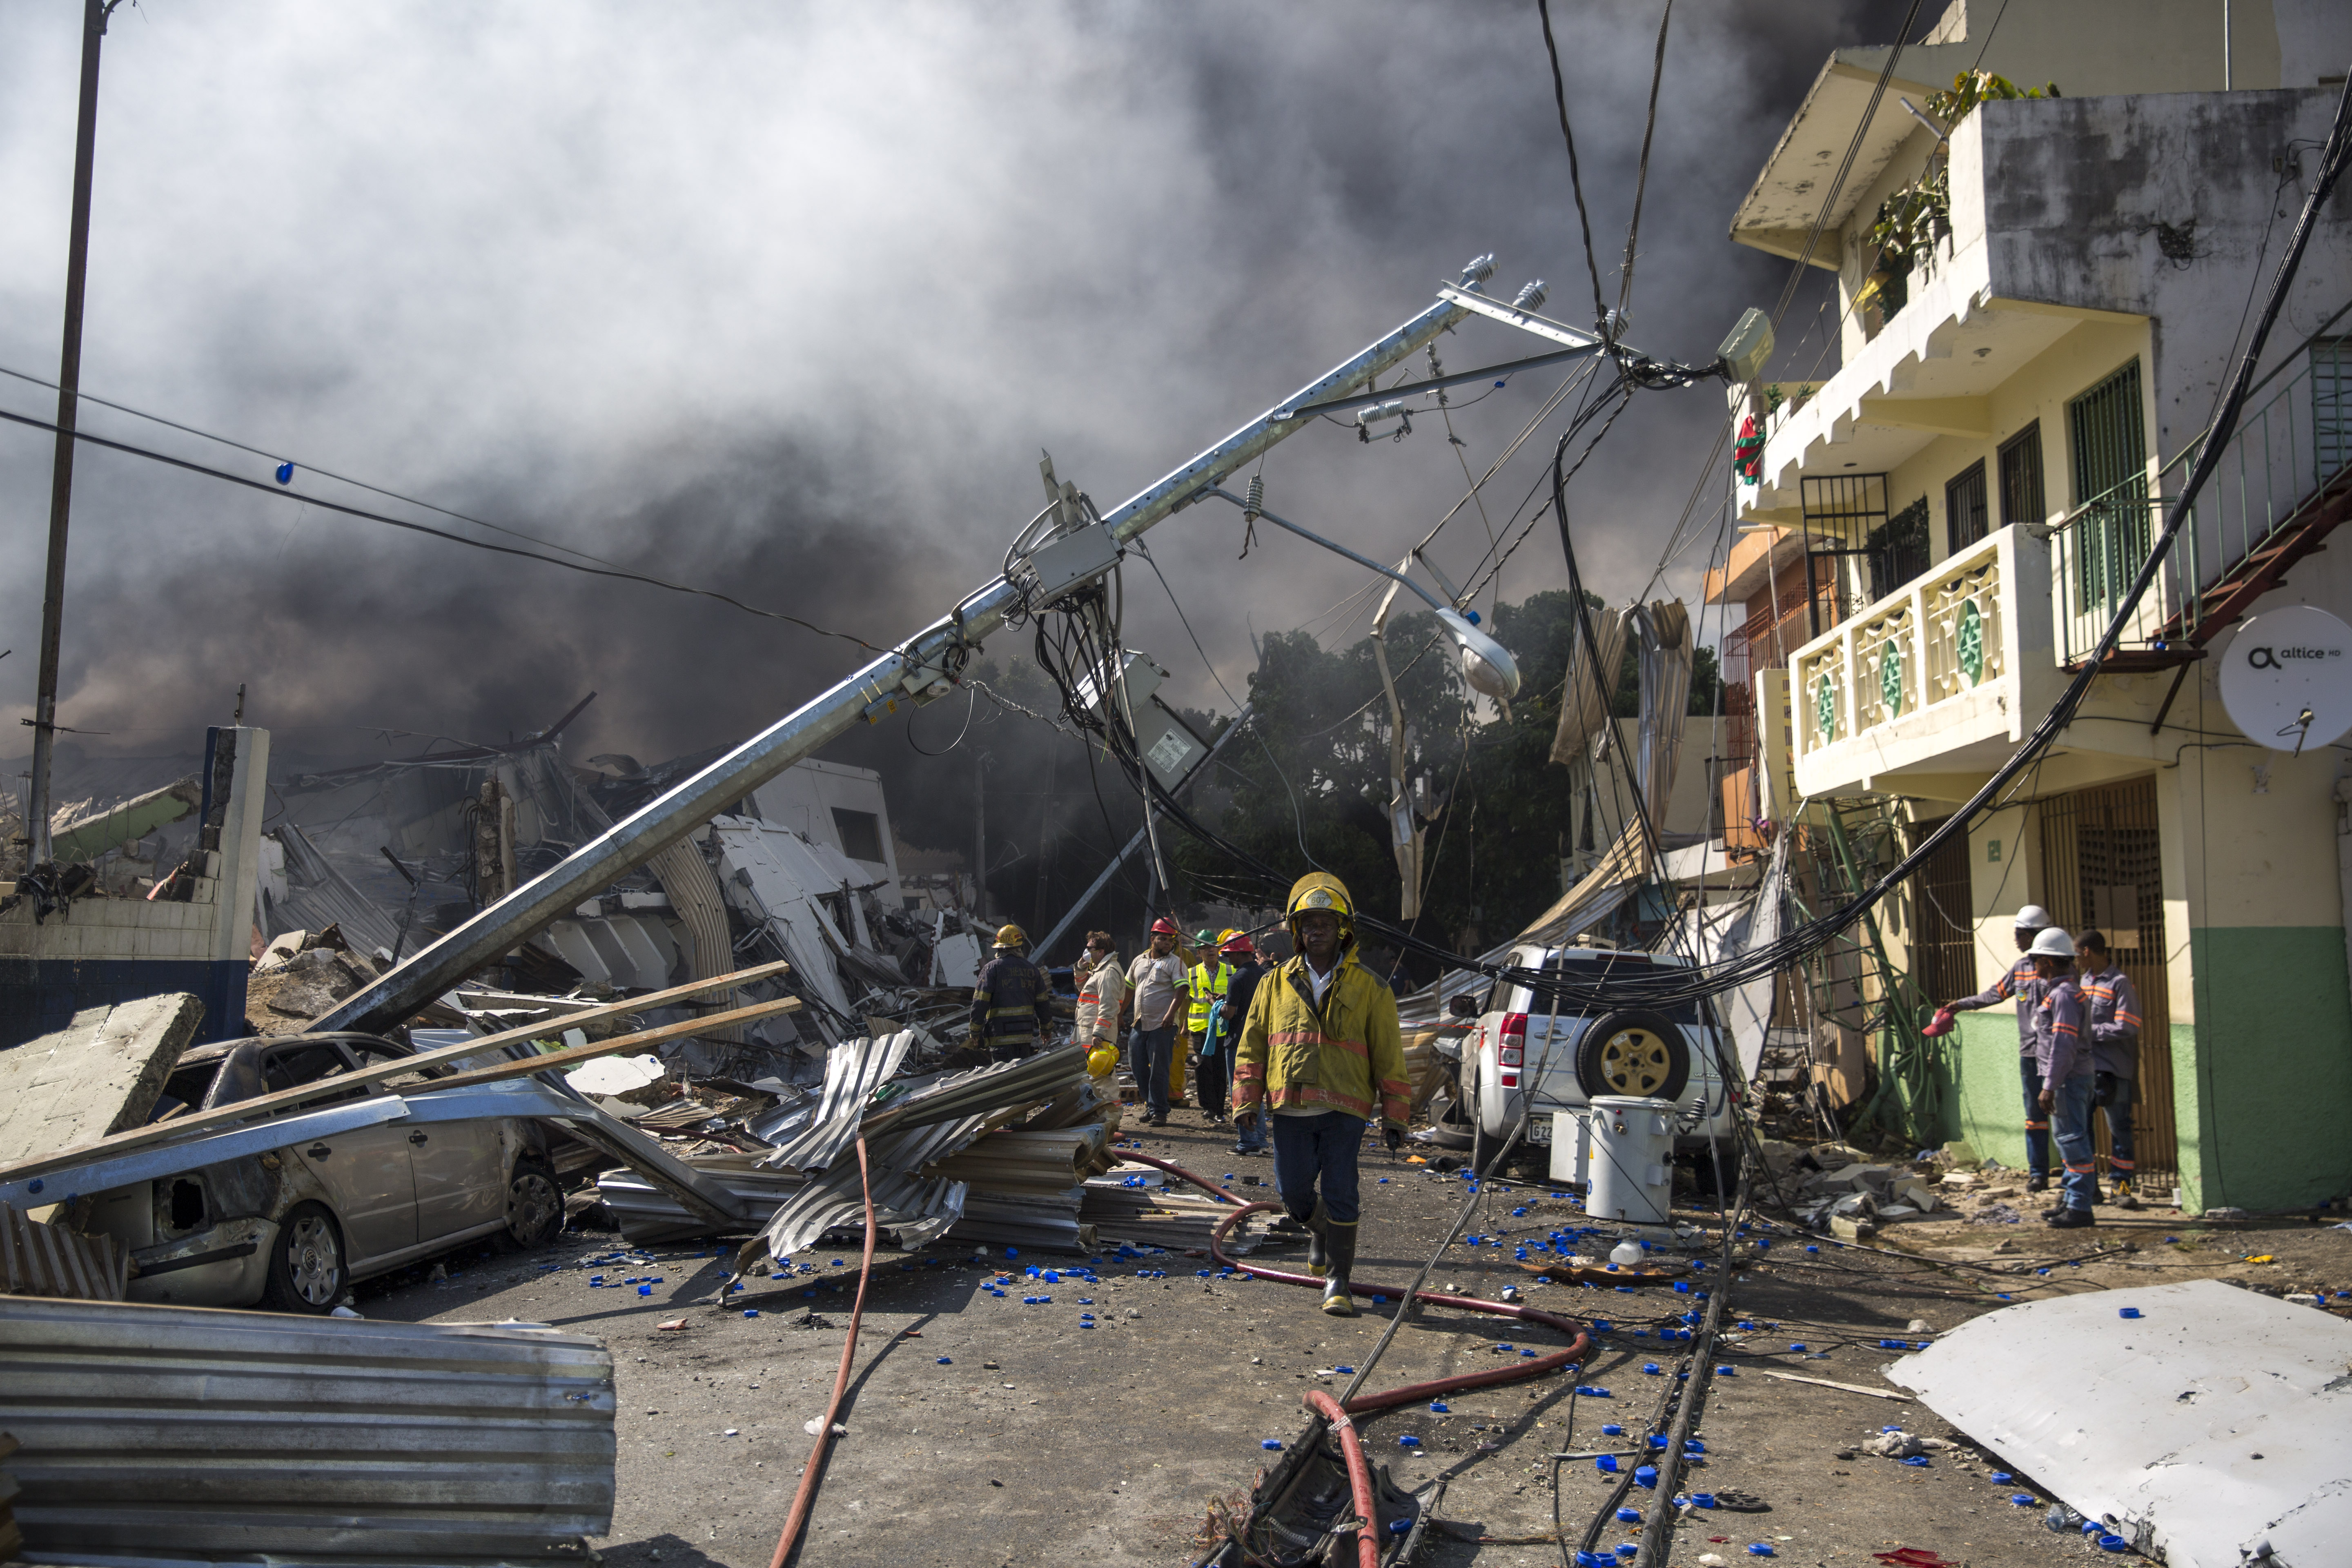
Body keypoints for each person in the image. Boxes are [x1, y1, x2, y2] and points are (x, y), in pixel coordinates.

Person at [1232, 873, 1410, 1317]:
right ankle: (1321, 1228)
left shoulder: (1372, 988)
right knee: (1294, 1194)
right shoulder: (1273, 984)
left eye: (1325, 924)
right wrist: (1246, 1101)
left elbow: (1390, 1056)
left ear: (1342, 930)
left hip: (1344, 1108)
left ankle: (1338, 1281)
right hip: (1290, 1105)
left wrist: (1395, 1116)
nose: (1316, 931)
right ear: (1297, 931)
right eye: (1308, 924)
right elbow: (1252, 1045)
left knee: (1342, 1189)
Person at [1944, 904, 2055, 1192]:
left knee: (2073, 1124)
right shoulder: (2021, 969)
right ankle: (2039, 1174)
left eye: (2020, 934)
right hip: (2030, 1055)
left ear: (2034, 935)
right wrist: (1961, 1004)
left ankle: (2098, 1186)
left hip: (2058, 1056)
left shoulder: (2058, 971)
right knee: (2035, 1118)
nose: (2016, 940)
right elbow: (1996, 994)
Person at [2026, 927, 2097, 1228]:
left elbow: (2064, 1045)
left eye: (2038, 960)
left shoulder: (2065, 996)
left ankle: (2080, 1207)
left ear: (2051, 962)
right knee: (2068, 1139)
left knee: (2071, 1139)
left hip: (2067, 1079)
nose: (2034, 965)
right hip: (2068, 1078)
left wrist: (2049, 1086)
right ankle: (2070, 1199)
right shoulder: (2060, 992)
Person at [2076, 929, 2143, 1209]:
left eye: (2078, 953)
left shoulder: (2120, 983)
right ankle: (2090, 1189)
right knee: (2083, 1131)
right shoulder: (2081, 982)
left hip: (2114, 1069)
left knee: (2120, 1131)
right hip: (2085, 1069)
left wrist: (2088, 1031)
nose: (2075, 959)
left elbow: (2128, 1025)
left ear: (2089, 952)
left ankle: (2122, 1188)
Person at [1125, 918, 1194, 1126]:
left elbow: (1181, 989)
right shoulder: (1139, 961)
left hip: (1162, 1025)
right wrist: (1120, 1014)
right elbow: (1129, 987)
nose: (1167, 944)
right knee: (1136, 1064)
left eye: (1170, 941)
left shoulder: (1176, 963)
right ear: (1152, 939)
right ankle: (1150, 1103)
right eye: (1163, 939)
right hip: (1139, 1023)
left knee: (1159, 1068)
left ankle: (1160, 1111)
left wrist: (1171, 1014)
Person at [970, 924, 1054, 1063]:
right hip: (1025, 1039)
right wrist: (1046, 1030)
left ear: (998, 947)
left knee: (1004, 1081)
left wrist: (975, 1030)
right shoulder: (1032, 970)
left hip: (1000, 1039)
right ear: (1020, 947)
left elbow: (980, 1002)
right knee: (1023, 1079)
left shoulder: (991, 970)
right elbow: (1043, 1004)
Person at [1219, 932, 1269, 1156]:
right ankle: (1260, 1140)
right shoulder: (1265, 976)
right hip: (1262, 1042)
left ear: (1239, 954)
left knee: (1241, 1091)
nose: (1229, 960)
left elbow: (1229, 1014)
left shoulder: (1237, 978)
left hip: (1239, 1043)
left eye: (1230, 956)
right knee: (1257, 1091)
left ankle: (1248, 1143)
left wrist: (1216, 1004)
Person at [1185, 929, 1234, 1118]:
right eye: (1205, 948)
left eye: (1213, 946)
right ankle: (1208, 1106)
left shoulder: (1231, 971)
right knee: (1203, 1066)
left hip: (1223, 1030)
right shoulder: (1192, 974)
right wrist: (1183, 1026)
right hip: (1201, 1029)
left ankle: (1220, 1109)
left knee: (1221, 1069)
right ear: (1199, 953)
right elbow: (1187, 1001)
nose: (1210, 950)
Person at [1073, 931, 1126, 1059]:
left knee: (1101, 1074)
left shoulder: (1108, 972)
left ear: (1101, 952)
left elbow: (1109, 1006)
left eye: (1089, 948)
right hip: (1088, 1032)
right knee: (1092, 1074)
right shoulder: (1099, 970)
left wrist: (1099, 1033)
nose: (1086, 951)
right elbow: (1081, 987)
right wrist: (1081, 967)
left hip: (1096, 1035)